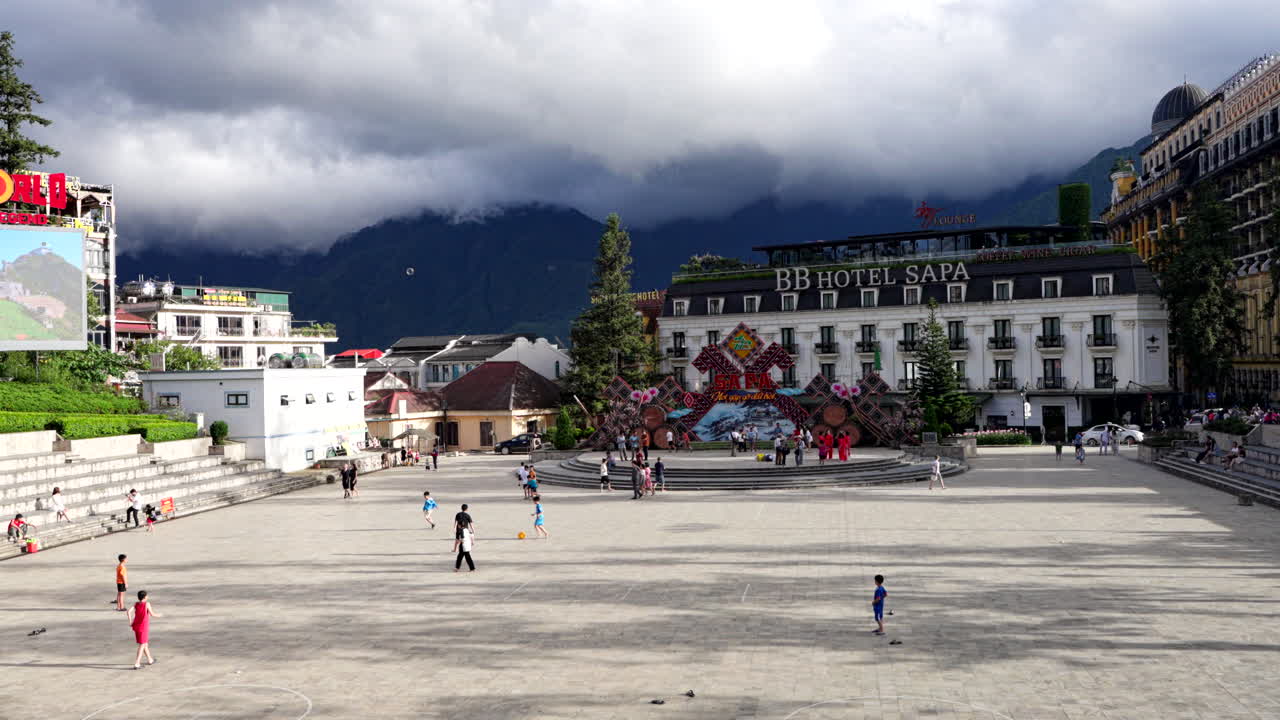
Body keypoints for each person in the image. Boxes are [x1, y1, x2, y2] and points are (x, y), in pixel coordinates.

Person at [127, 590, 161, 669]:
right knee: (142, 644)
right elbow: (152, 614)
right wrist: (159, 615)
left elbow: (128, 611)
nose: (147, 597)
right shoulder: (147, 604)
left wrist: (130, 621)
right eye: (147, 596)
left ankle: (150, 660)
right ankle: (137, 663)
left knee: (144, 643)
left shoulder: (136, 604)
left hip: (136, 627)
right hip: (143, 627)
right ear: (145, 597)